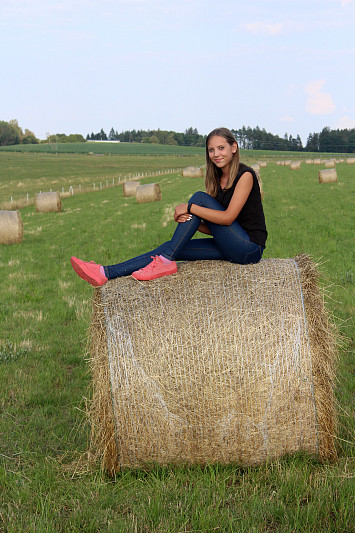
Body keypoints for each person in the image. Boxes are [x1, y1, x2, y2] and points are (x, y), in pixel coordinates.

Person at [71, 127, 267, 285]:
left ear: (234, 148)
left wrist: (190, 209)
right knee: (172, 248)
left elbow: (228, 218)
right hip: (230, 244)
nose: (216, 154)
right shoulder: (215, 180)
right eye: (211, 150)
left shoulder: (245, 175)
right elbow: (216, 229)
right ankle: (104, 272)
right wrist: (193, 221)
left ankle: (164, 262)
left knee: (198, 199)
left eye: (221, 148)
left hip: (248, 248)